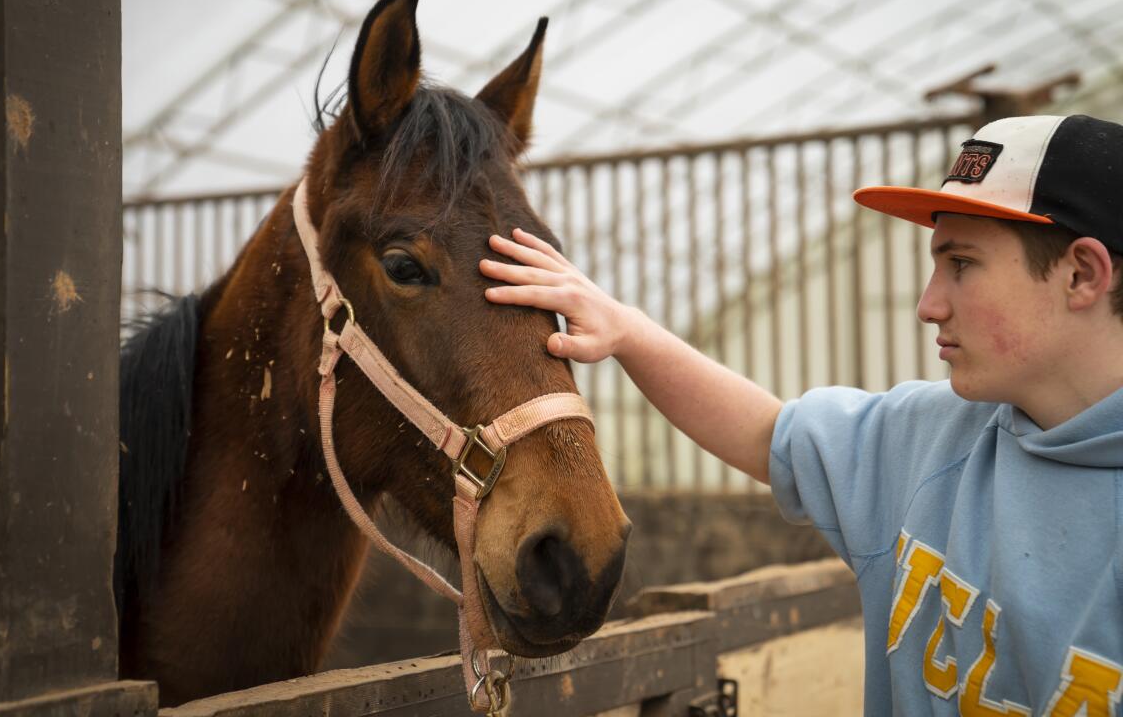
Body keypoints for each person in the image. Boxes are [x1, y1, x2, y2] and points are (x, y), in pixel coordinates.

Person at [480, 114, 1123, 716]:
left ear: (1081, 275)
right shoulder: (934, 436)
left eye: (962, 264)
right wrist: (628, 331)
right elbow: (768, 433)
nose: (928, 306)